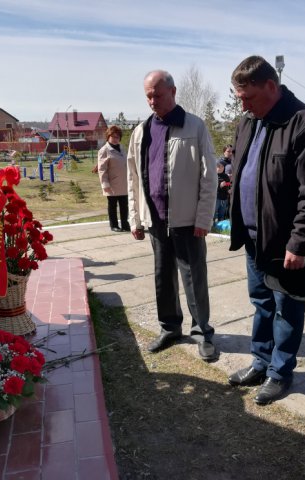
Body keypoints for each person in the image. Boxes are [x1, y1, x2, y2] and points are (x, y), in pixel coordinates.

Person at [226, 56, 305, 405]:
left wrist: (299, 243)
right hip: (253, 238)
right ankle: (260, 362)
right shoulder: (249, 122)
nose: (243, 105)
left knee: (286, 308)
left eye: (248, 97)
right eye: (240, 98)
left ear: (271, 86)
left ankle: (280, 372)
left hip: (284, 243)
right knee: (261, 302)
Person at [127, 70, 218, 361]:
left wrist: (203, 218)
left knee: (194, 278)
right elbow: (133, 178)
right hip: (155, 220)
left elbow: (209, 176)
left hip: (187, 221)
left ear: (173, 92)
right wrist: (135, 218)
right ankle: (170, 327)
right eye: (148, 96)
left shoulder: (195, 126)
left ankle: (202, 332)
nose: (152, 101)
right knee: (162, 277)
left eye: (158, 95)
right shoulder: (141, 131)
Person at [98, 125, 130, 232]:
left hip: (124, 183)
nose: (116, 139)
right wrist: (105, 184)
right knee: (112, 206)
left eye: (118, 137)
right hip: (112, 184)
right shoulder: (104, 150)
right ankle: (114, 225)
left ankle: (125, 224)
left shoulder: (122, 148)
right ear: (108, 136)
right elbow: (102, 169)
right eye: (113, 136)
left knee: (124, 205)